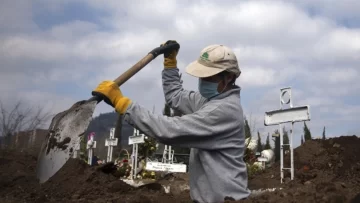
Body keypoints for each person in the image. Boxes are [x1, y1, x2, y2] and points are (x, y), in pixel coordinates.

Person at [92, 40, 251, 203]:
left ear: (229, 77)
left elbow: (169, 130)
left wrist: (124, 104)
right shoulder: (209, 100)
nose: (202, 82)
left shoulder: (224, 111)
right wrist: (170, 65)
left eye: (209, 77)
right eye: (202, 76)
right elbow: (175, 95)